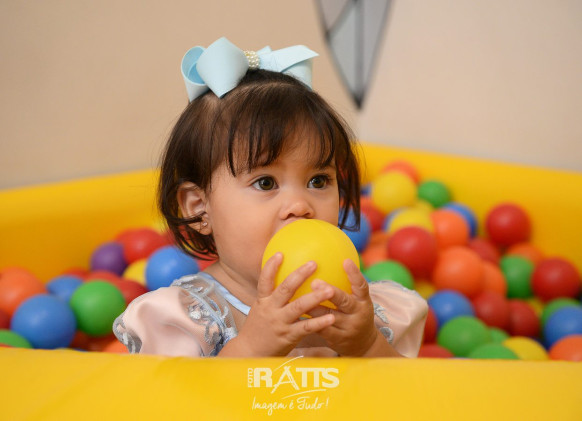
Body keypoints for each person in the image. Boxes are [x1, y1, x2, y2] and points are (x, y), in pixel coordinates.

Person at [113, 37, 427, 358]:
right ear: (199, 208)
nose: (300, 206)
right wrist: (251, 348)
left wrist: (368, 345)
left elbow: (407, 388)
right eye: (265, 183)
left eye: (318, 180)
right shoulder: (188, 319)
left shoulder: (363, 311)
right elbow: (175, 392)